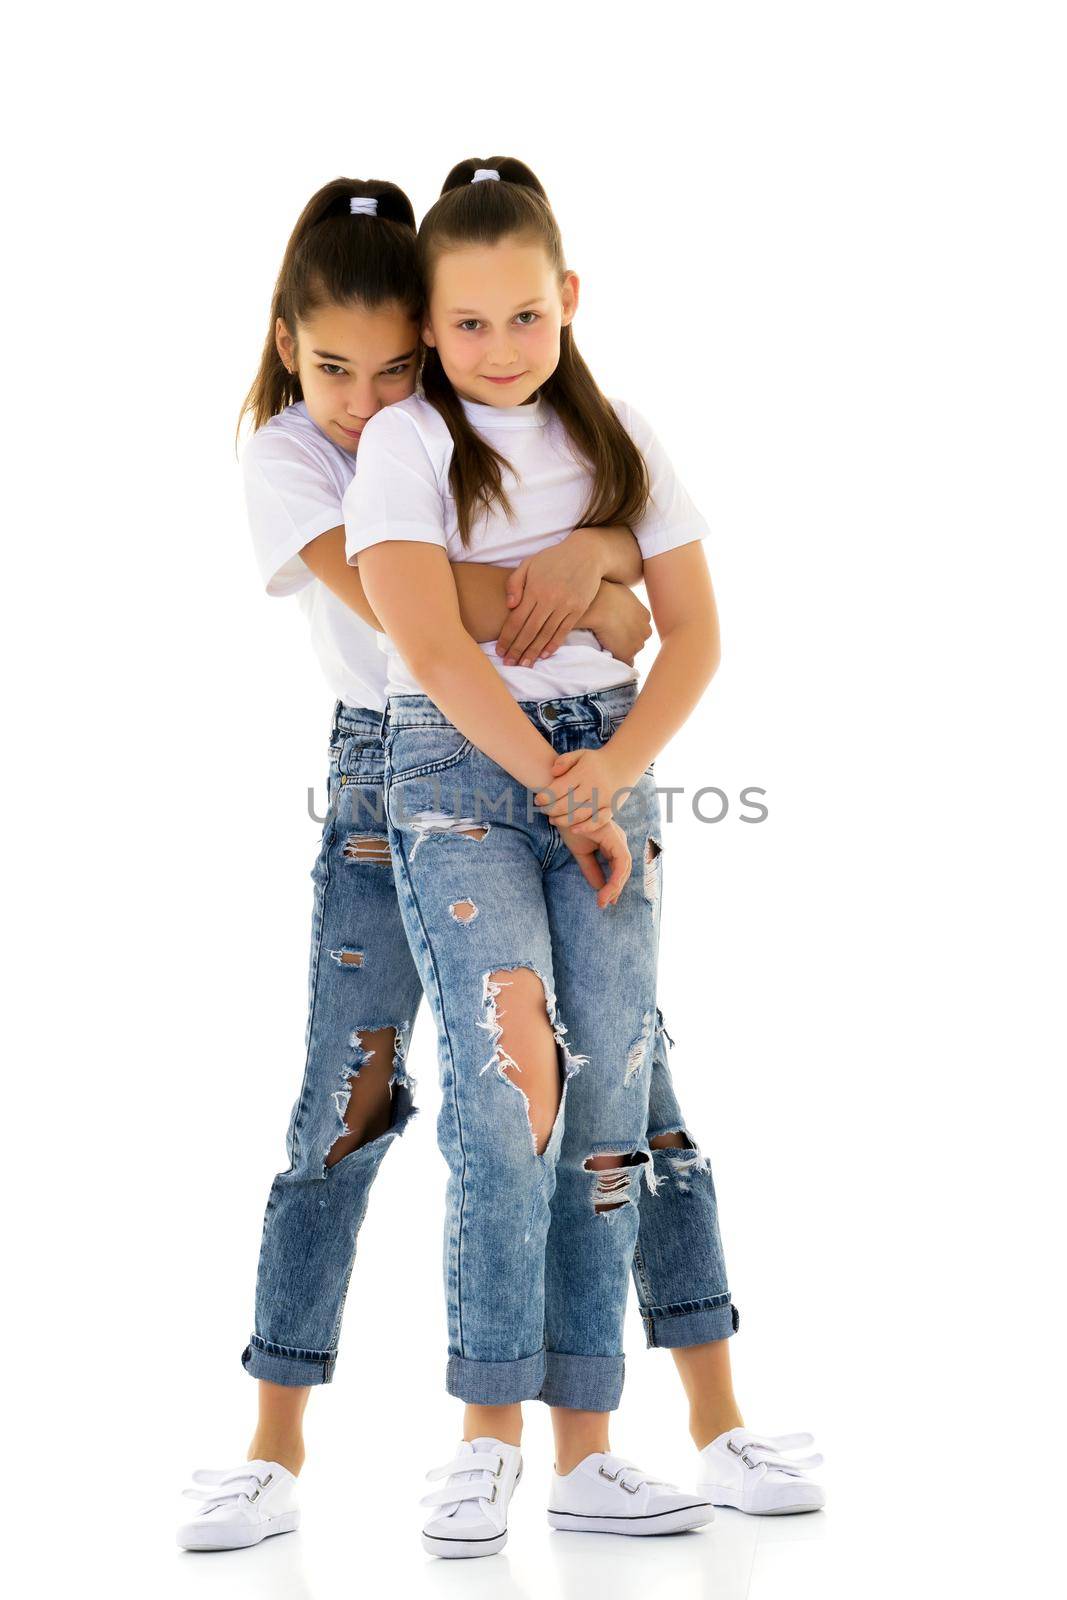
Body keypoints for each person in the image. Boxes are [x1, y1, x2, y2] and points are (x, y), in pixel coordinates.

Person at [345, 157, 823, 1559]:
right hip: (452, 767)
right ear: (428, 330)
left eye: (525, 317)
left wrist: (608, 773)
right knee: (514, 1088)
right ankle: (484, 1437)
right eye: (469, 324)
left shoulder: (622, 438)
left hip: (602, 766)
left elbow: (697, 635)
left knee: (615, 1081)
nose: (500, 349)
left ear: (568, 299)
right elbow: (429, 645)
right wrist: (560, 792)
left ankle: (591, 1450)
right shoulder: (408, 448)